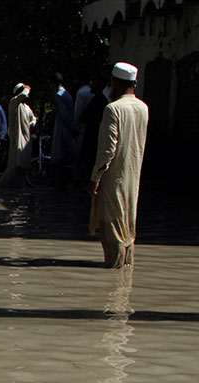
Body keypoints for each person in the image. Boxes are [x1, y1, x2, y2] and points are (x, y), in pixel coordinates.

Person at [86, 63, 149, 268]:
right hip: (133, 179)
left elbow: (107, 150)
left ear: (115, 83)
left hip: (113, 178)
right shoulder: (143, 108)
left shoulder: (113, 109)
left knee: (112, 230)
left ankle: (114, 276)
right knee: (128, 228)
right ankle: (125, 276)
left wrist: (94, 179)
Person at [0, 83, 37, 189]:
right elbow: (23, 95)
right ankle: (1, 185)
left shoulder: (26, 108)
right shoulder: (13, 103)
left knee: (24, 166)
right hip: (17, 139)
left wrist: (32, 123)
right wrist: (27, 89)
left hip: (26, 140)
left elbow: (33, 118)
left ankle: (18, 187)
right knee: (13, 166)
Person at [47, 72, 77, 189]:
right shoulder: (67, 94)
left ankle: (59, 184)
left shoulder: (59, 95)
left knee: (59, 159)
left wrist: (71, 128)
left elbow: (64, 115)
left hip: (62, 130)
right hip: (67, 130)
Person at [78, 71, 110, 181]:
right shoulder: (98, 99)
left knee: (90, 164)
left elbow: (85, 116)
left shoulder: (99, 100)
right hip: (92, 136)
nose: (92, 85)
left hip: (94, 138)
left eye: (95, 83)